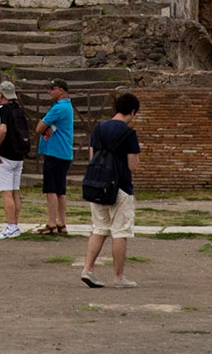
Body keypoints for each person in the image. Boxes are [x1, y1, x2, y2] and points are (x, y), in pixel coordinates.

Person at [80, 92, 142, 289]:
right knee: (120, 232)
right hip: (120, 186)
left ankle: (88, 269)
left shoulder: (98, 128)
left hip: (98, 184)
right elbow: (133, 165)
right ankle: (118, 276)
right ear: (133, 111)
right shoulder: (129, 133)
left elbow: (92, 156)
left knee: (99, 228)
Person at [34, 78, 75, 235]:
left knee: (50, 189)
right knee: (60, 190)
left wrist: (42, 124)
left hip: (55, 152)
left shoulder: (58, 108)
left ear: (61, 90)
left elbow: (39, 128)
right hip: (64, 152)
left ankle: (52, 223)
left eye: (52, 89)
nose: (49, 92)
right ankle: (61, 222)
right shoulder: (67, 106)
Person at [0, 79, 31, 240]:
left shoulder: (1, 109)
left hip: (5, 155)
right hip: (18, 155)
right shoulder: (18, 109)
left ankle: (11, 225)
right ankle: (15, 224)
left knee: (6, 192)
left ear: (2, 95)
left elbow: (2, 129)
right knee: (15, 191)